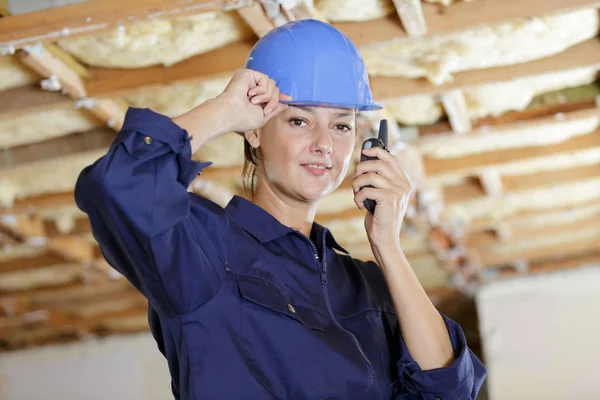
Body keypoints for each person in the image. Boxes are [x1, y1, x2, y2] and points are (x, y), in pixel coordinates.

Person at [75, 19, 486, 400]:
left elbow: (449, 389)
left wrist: (389, 247)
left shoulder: (369, 285)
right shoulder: (205, 247)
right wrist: (225, 110)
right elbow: (118, 185)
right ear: (255, 130)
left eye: (341, 125)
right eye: (299, 122)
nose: (325, 143)